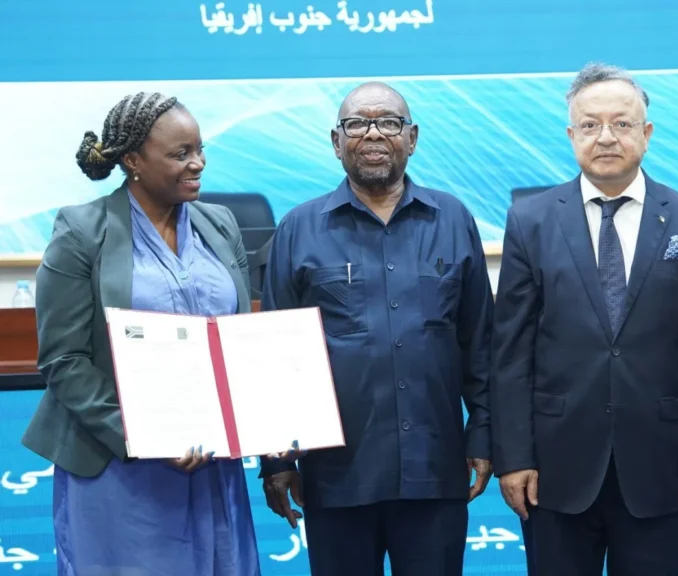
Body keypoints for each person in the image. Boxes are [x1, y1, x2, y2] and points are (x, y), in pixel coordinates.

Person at [490, 62, 678, 575]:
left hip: (660, 466)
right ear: (571, 135)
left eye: (621, 124)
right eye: (590, 125)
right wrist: (514, 456)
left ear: (646, 133)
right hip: (554, 468)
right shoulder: (531, 220)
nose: (606, 137)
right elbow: (511, 352)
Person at [258, 81, 494, 576]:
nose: (372, 134)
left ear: (412, 137)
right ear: (335, 141)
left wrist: (484, 434)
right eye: (356, 124)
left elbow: (480, 343)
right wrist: (277, 461)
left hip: (433, 470)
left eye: (388, 122)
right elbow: (274, 357)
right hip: (338, 476)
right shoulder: (298, 229)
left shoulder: (453, 219)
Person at [21, 92, 262, 575]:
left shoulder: (219, 224)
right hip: (120, 466)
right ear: (133, 160)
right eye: (180, 153)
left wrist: (268, 416)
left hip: (211, 463)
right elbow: (64, 361)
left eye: (200, 149)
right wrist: (143, 436)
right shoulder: (82, 231)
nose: (198, 163)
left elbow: (240, 340)